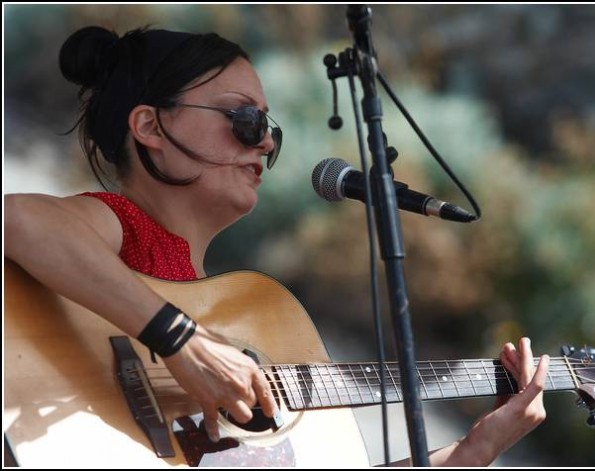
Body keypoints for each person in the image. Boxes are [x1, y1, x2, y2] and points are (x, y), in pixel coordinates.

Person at [4, 25, 549, 467]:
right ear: (149, 126)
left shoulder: (231, 311)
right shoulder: (123, 229)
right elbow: (16, 219)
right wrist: (183, 343)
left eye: (269, 127)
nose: (265, 140)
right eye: (245, 119)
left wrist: (476, 448)